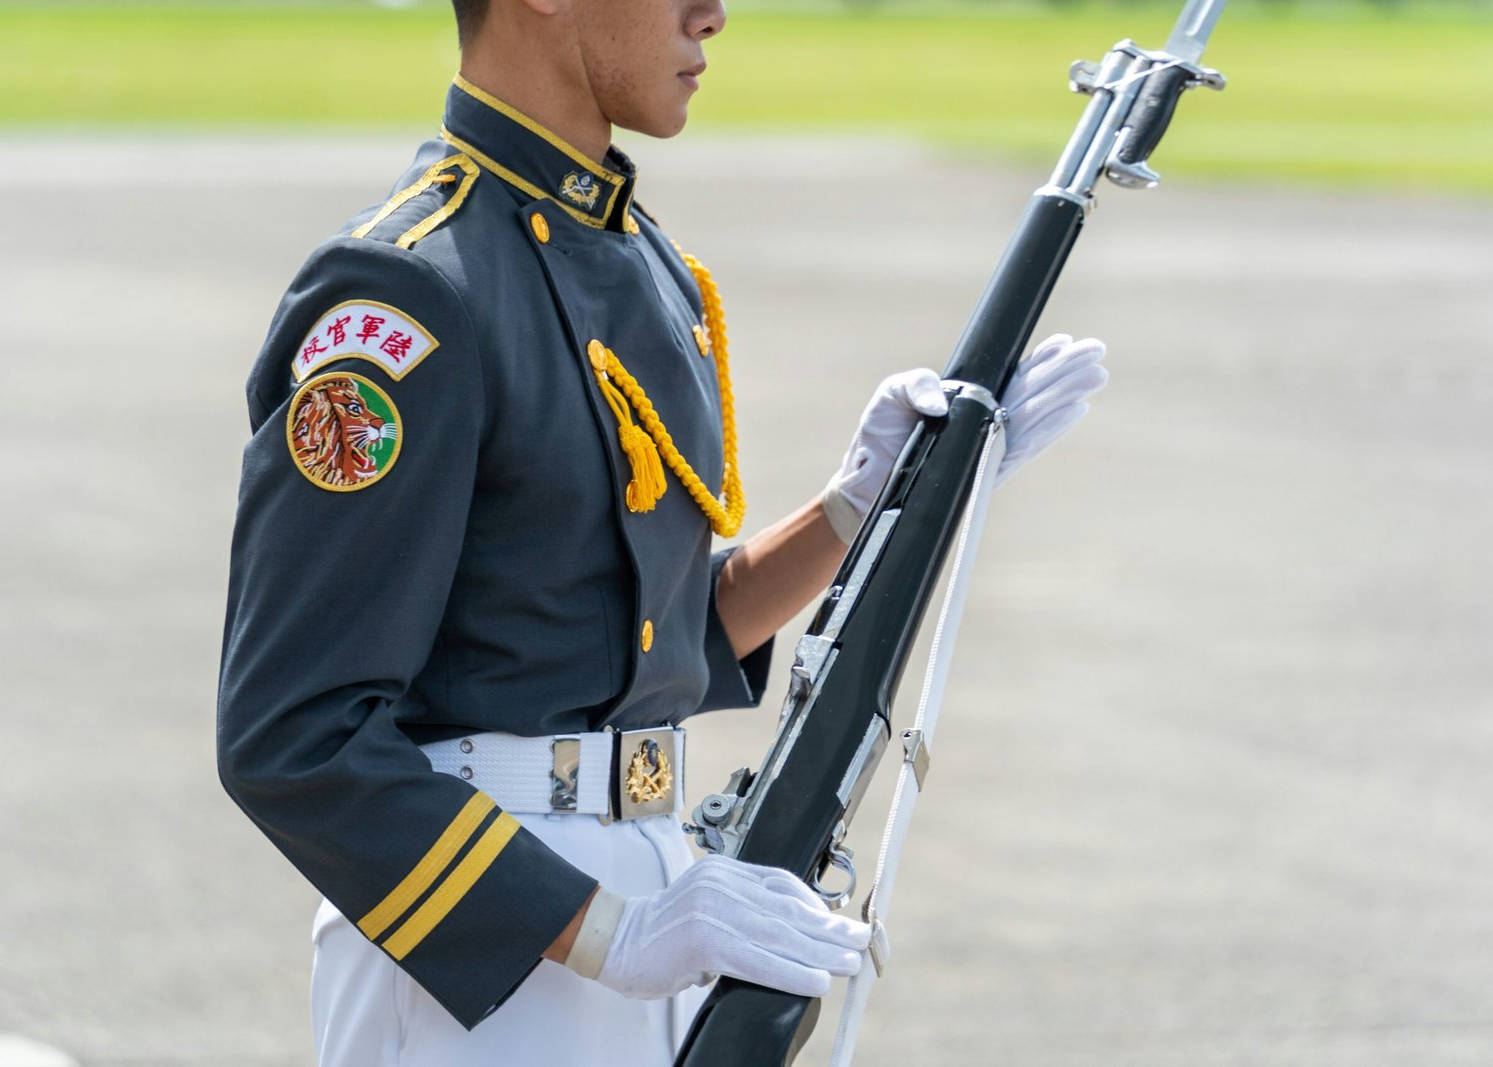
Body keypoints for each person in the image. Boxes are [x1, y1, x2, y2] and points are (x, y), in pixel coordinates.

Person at [215, 0, 1108, 1063]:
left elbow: (652, 640)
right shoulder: (405, 294)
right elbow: (292, 732)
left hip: (654, 900)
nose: (712, 14)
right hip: (482, 942)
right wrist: (609, 931)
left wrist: (866, 505)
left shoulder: (644, 261)